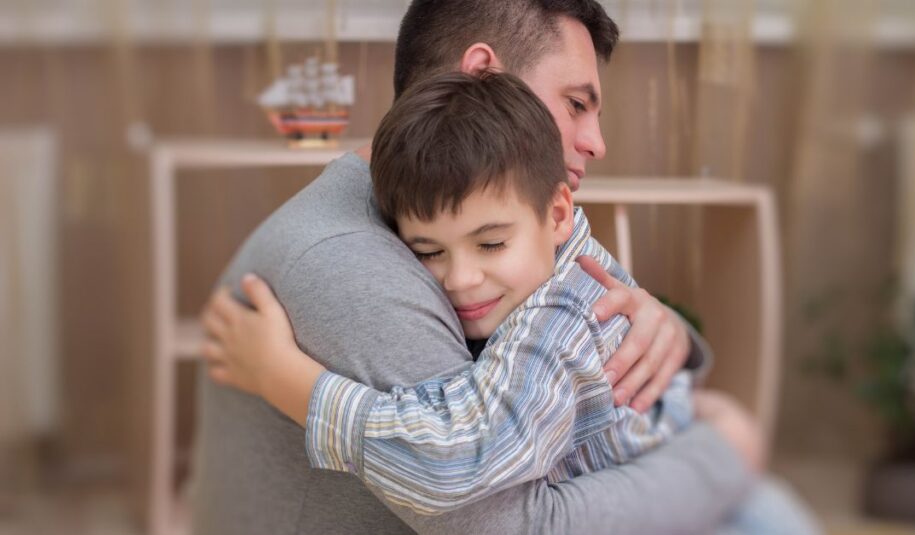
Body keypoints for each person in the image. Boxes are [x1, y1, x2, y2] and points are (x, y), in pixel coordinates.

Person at [191, 1, 801, 533]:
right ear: (483, 76)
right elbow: (496, 513)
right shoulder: (356, 267)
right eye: (576, 103)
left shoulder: (526, 232)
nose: (597, 141)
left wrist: (661, 332)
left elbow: (584, 317)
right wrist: (722, 451)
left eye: (489, 245)